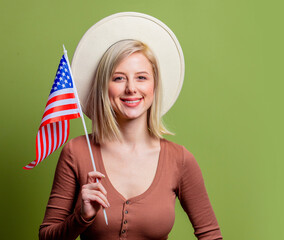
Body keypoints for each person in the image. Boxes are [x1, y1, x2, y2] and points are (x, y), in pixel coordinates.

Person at [39, 13, 222, 240]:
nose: (131, 88)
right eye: (118, 78)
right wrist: (81, 217)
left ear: (154, 86)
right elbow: (47, 236)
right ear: (104, 88)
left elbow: (211, 236)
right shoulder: (76, 152)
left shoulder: (180, 159)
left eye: (141, 77)